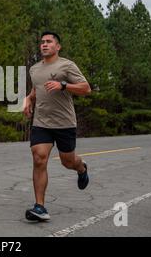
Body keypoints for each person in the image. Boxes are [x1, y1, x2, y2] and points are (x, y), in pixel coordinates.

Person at [23, 31, 92, 222]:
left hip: (64, 123)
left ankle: (81, 169)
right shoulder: (34, 69)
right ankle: (40, 207)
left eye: (49, 42)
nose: (44, 44)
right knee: (39, 158)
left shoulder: (66, 65)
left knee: (67, 162)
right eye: (42, 42)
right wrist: (29, 99)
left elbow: (86, 88)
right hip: (41, 122)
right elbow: (36, 89)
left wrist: (63, 85)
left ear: (57, 46)